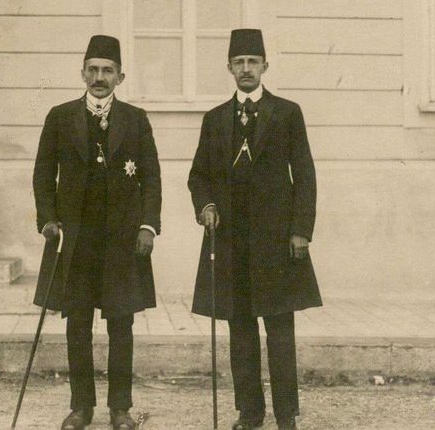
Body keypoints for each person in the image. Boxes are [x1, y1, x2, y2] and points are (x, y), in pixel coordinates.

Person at [188, 29, 322, 430]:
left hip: (276, 241)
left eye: (252, 61)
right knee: (240, 330)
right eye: (239, 62)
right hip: (231, 241)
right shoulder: (214, 119)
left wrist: (301, 230)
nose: (246, 69)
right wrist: (206, 206)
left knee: (280, 330)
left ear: (265, 65)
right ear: (229, 68)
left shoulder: (287, 113)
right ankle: (249, 412)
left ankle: (286, 414)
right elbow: (198, 176)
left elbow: (305, 175)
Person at [32, 35, 162, 430]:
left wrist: (148, 225)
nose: (99, 77)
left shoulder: (135, 119)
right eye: (93, 70)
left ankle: (120, 407)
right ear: (83, 73)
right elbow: (43, 174)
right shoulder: (60, 117)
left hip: (122, 240)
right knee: (77, 325)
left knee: (122, 324)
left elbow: (152, 178)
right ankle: (81, 407)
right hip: (77, 240)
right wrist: (48, 219)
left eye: (107, 71)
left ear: (120, 76)